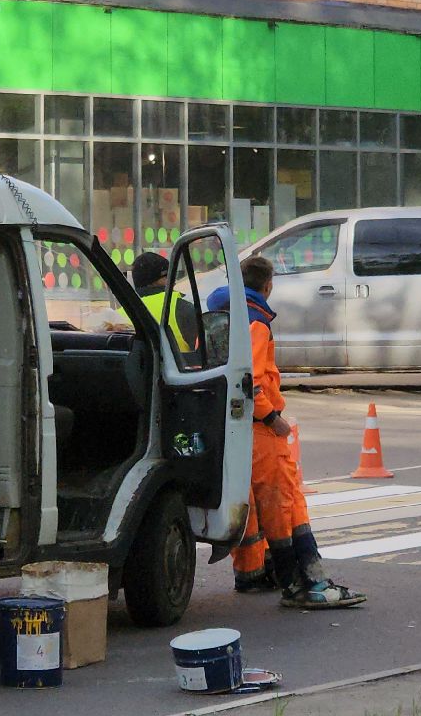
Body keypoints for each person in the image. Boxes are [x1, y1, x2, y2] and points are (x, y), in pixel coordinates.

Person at [210, 258, 366, 609]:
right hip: (258, 428)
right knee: (284, 501)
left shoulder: (223, 313)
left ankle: (268, 575)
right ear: (268, 285)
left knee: (259, 502)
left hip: (233, 426)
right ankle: (302, 582)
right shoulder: (256, 321)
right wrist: (271, 417)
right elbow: (250, 379)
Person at [115, 250, 199, 354]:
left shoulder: (119, 314)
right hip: (176, 369)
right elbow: (203, 353)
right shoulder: (180, 307)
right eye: (168, 276)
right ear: (157, 279)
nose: (173, 281)